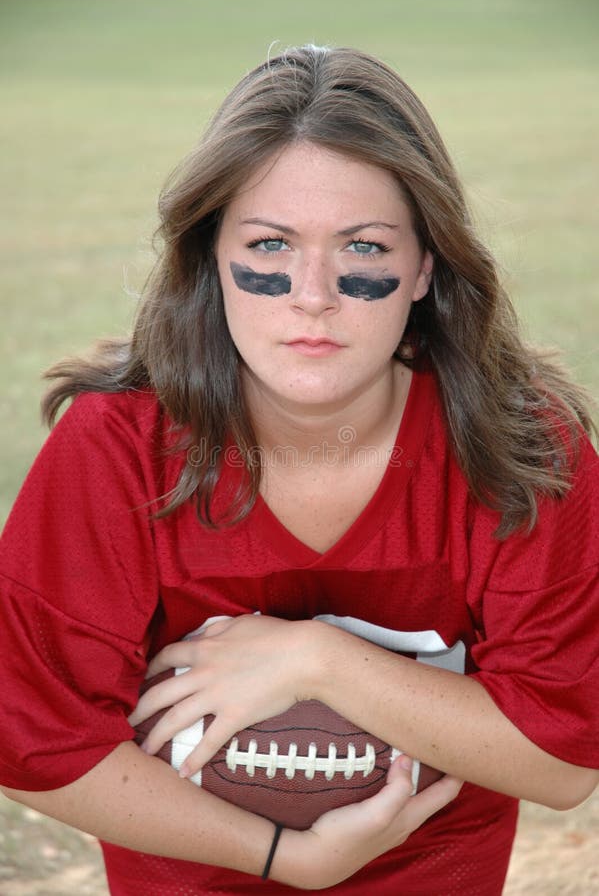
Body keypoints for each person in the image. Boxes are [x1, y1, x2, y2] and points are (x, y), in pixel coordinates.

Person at [0, 44, 598, 895]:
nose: (310, 292)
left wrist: (318, 660)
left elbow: (562, 757)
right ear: (211, 254)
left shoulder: (520, 445)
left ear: (425, 266)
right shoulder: (117, 448)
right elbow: (31, 745)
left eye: (362, 247)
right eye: (271, 244)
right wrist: (280, 858)